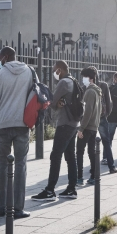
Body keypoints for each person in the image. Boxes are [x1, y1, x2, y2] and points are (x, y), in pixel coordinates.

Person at [0, 46, 33, 219]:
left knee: (1, 165)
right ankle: (18, 208)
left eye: (0, 57)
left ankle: (2, 207)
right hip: (22, 124)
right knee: (21, 164)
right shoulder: (29, 72)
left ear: (6, 57)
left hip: (2, 125)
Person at [32, 60, 80, 201]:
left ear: (60, 70)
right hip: (74, 123)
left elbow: (52, 102)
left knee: (55, 156)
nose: (54, 73)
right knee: (71, 156)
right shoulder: (74, 81)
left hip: (64, 123)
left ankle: (50, 190)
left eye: (55, 70)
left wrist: (55, 103)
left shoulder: (63, 82)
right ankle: (71, 188)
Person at [76, 68, 102, 185]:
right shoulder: (97, 91)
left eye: (84, 77)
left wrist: (81, 128)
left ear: (90, 78)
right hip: (93, 126)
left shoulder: (90, 92)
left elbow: (87, 111)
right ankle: (93, 175)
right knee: (91, 152)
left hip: (87, 126)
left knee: (80, 151)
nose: (83, 79)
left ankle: (79, 177)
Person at [92, 67, 115, 172]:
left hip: (90, 118)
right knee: (106, 142)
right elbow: (109, 102)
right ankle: (111, 166)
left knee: (91, 143)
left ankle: (93, 169)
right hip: (101, 117)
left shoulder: (85, 86)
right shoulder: (103, 85)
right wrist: (106, 114)